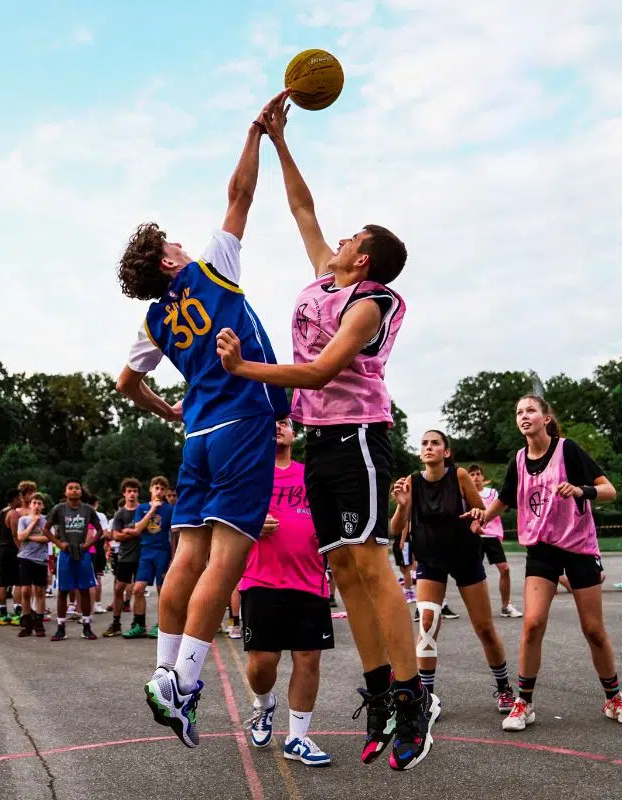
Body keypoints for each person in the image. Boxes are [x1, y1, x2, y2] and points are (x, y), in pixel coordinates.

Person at [214, 98, 432, 772]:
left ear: (363, 256)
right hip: (321, 442)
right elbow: (302, 210)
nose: (334, 240)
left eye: (348, 239)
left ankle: (411, 697)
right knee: (342, 568)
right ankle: (378, 693)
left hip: (362, 439)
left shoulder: (368, 305)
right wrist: (278, 140)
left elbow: (319, 368)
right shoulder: (324, 280)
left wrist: (244, 368)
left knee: (371, 565)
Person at [115, 93, 290, 749]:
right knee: (228, 558)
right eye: (171, 243)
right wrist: (256, 135)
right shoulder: (212, 267)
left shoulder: (155, 318)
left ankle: (163, 673)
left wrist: (169, 409)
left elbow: (125, 381)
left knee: (187, 554)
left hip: (198, 437)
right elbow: (240, 195)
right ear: (167, 260)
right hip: (243, 422)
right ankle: (185, 684)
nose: (182, 243)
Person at [468, 395, 622, 733]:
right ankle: (524, 703)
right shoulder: (518, 460)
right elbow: (504, 499)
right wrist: (481, 518)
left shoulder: (569, 450)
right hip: (542, 550)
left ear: (547, 418)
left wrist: (581, 490)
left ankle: (614, 698)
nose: (524, 416)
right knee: (532, 624)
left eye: (531, 410)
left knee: (593, 629)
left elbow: (610, 491)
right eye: (518, 411)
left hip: (578, 546)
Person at [391, 431, 514, 715]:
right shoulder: (412, 482)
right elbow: (395, 528)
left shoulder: (459, 476)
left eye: (435, 443)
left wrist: (475, 519)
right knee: (428, 624)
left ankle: (505, 688)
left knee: (484, 628)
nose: (429, 447)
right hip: (430, 561)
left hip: (465, 557)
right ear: (420, 452)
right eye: (424, 443)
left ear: (446, 451)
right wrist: (402, 505)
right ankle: (427, 698)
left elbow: (481, 511)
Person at [242, 418, 333, 766]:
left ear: (295, 433)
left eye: (285, 423)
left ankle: (297, 738)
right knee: (263, 662)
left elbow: (330, 519)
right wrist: (251, 523)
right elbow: (220, 517)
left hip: (309, 580)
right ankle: (263, 703)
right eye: (271, 423)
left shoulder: (311, 475)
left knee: (308, 658)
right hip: (261, 579)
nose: (278, 427)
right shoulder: (250, 472)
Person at [47, 481, 104, 641]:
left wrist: (88, 544)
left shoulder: (87, 509)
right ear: (66, 492)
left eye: (77, 488)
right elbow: (46, 528)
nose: (74, 491)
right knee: (63, 591)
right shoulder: (59, 509)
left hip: (82, 553)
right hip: (65, 554)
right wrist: (58, 543)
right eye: (70, 488)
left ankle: (86, 626)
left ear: (81, 491)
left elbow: (100, 530)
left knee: (84, 589)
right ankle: (60, 627)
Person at [466, 466, 523, 617]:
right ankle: (477, 608)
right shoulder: (467, 495)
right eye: (472, 474)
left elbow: (500, 507)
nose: (475, 477)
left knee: (505, 569)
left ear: (483, 477)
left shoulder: (492, 493)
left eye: (478, 474)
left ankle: (506, 606)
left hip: (491, 535)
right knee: (475, 573)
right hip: (475, 536)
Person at [122, 476, 174, 640]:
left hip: (162, 552)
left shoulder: (170, 509)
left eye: (162, 489)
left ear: (165, 492)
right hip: (146, 552)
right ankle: (139, 624)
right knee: (138, 588)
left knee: (162, 590)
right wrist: (152, 510)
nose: (159, 491)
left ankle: (161, 625)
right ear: (151, 489)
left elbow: (174, 536)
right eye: (156, 488)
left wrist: (173, 558)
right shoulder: (142, 508)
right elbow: (137, 529)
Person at [105, 478, 142, 637]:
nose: (132, 494)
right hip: (125, 556)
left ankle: (138, 623)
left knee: (139, 590)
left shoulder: (143, 510)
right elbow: (115, 536)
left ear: (138, 493)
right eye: (129, 491)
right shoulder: (121, 513)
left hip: (141, 556)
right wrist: (132, 533)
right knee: (119, 588)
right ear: (124, 494)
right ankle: (116, 622)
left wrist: (127, 532)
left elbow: (143, 533)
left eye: (134, 491)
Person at [16, 492, 53, 637]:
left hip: (41, 559)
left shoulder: (46, 520)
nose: (36, 506)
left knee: (39, 591)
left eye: (39, 503)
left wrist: (30, 537)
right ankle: (26, 621)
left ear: (43, 506)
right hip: (25, 557)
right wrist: (33, 523)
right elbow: (20, 536)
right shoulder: (24, 520)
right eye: (34, 503)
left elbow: (48, 538)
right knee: (25, 591)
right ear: (30, 505)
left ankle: (39, 621)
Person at [0, 488, 25, 626]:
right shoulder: (13, 513)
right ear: (14, 499)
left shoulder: (1, 512)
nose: (22, 500)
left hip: (1, 549)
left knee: (3, 583)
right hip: (12, 549)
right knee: (19, 582)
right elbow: (15, 535)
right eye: (20, 497)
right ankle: (17, 614)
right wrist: (22, 550)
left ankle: (2, 615)